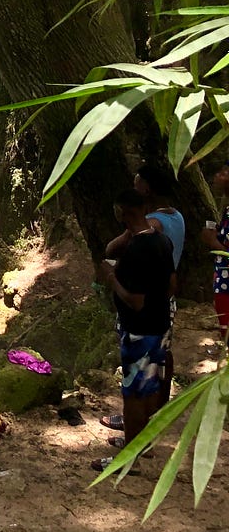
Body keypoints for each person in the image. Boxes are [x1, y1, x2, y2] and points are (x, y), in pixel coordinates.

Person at [93, 189, 176, 472]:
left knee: (133, 395)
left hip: (139, 331)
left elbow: (135, 302)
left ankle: (129, 460)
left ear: (123, 212)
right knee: (152, 388)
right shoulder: (162, 242)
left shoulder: (135, 252)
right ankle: (144, 444)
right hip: (161, 326)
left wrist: (111, 278)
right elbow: (171, 286)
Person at [202, 160, 229, 348]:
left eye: (223, 173)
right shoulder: (226, 208)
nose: (217, 177)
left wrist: (212, 241)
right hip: (223, 282)